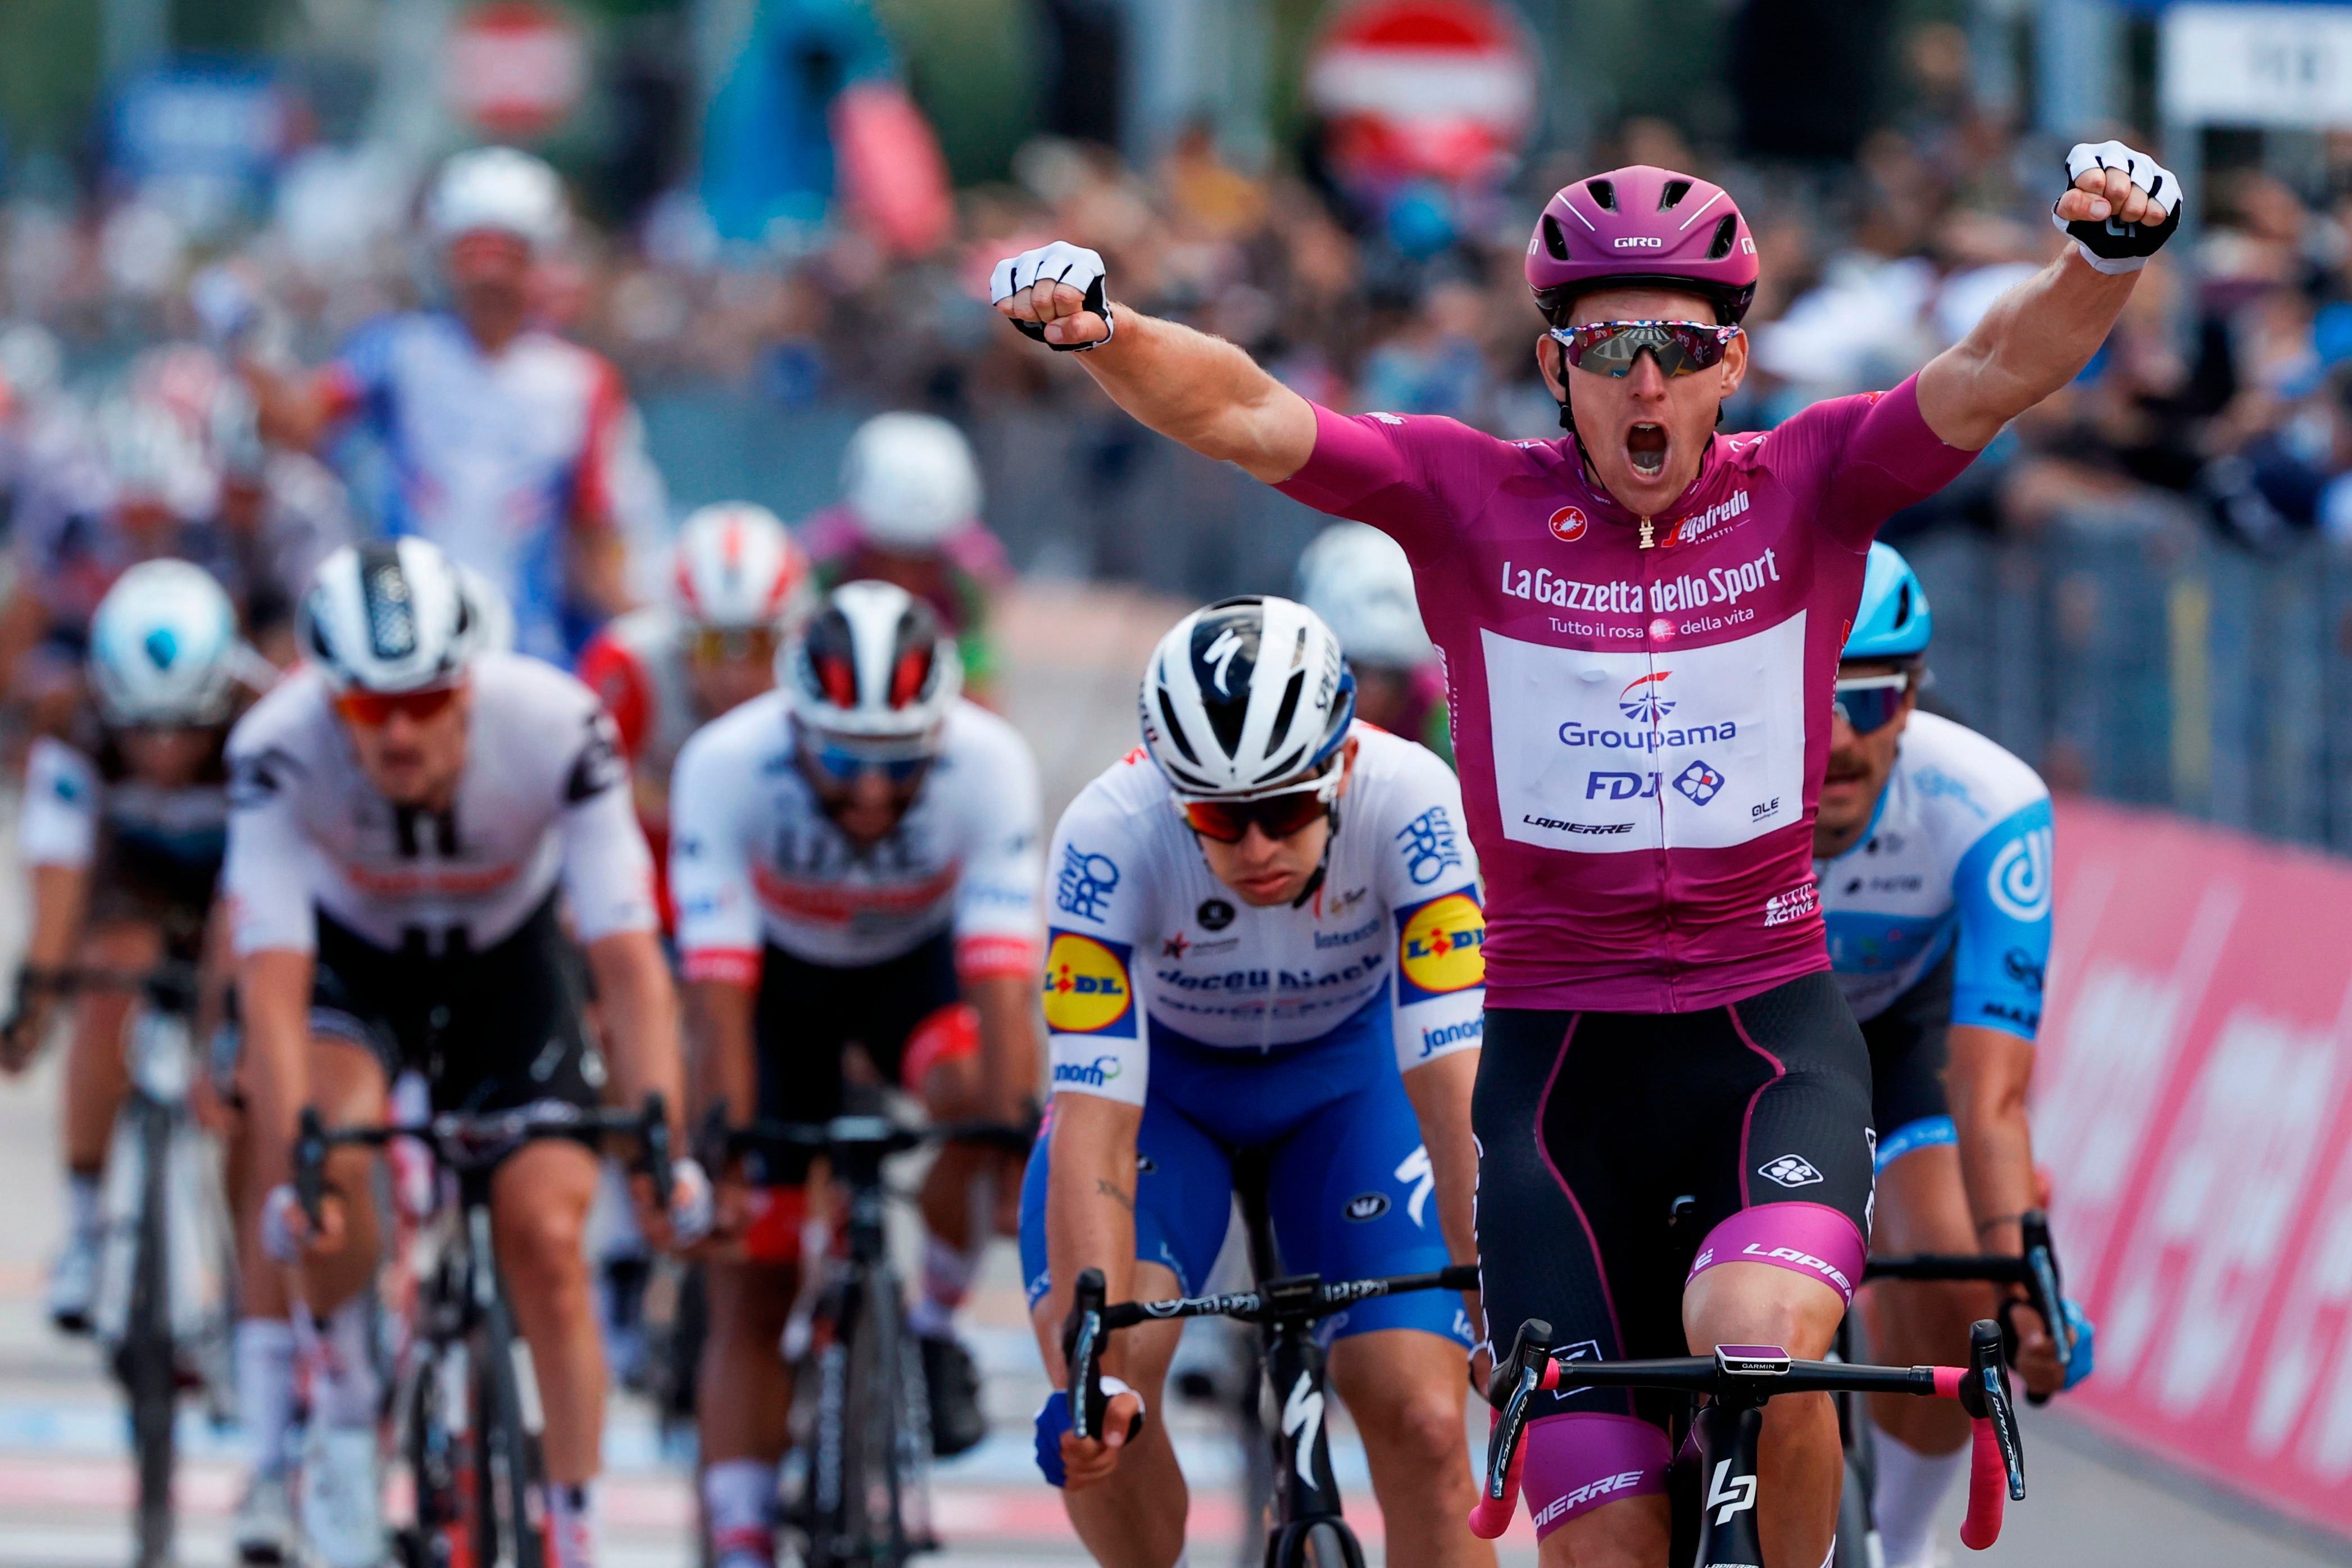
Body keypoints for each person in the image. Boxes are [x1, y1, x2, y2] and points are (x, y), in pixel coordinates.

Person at [993, 139, 2181, 1565]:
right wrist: (1108, 335)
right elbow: (1251, 412)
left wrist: (2103, 261)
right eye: (1608, 343)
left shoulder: (1809, 484)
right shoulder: (1466, 499)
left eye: (1679, 344)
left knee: (1767, 1349)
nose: (1646, 379)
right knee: (1602, 1540)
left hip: (1767, 1037)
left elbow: (1995, 369)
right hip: (1559, 1072)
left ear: (1731, 357)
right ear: (1556, 361)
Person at [225, 539, 701, 1568]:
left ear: (469, 678)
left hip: (509, 966)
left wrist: (661, 1139)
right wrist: (293, 1157)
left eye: (428, 699)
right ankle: (349, 1427)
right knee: (333, 1163)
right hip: (356, 964)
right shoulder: (274, 743)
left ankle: (576, 1536)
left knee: (546, 1240)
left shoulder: (557, 725)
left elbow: (626, 955)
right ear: (327, 697)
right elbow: (267, 978)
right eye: (366, 707)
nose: (399, 732)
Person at [1020, 596, 1490, 1567]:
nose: (1258, 849)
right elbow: (1095, 1125)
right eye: (1219, 820)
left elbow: (1453, 1088)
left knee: (1428, 1422)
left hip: (1351, 1087)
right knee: (1104, 1400)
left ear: (1343, 762)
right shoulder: (1107, 833)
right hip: (1168, 1097)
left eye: (1284, 810)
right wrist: (1093, 1365)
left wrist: (1494, 1289)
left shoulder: (1411, 797)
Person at [668, 580, 1044, 1568]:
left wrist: (1014, 1148)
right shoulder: (726, 764)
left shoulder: (989, 763)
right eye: (842, 760)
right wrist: (726, 1155)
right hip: (776, 989)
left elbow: (1004, 989)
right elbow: (715, 1002)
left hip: (907, 976)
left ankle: (929, 1325)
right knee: (754, 1272)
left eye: (897, 764)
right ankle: (744, 1538)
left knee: (982, 1103)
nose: (871, 794)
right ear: (796, 727)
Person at [0, 560, 297, 1557]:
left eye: (185, 729)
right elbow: (55, 871)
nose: (163, 752)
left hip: (235, 897)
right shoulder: (73, 722)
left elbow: (261, 906)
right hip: (129, 894)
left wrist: (233, 1035)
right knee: (107, 980)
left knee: (246, 1089)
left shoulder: (267, 719)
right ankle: (88, 1230)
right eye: (143, 730)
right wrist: (36, 997)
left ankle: (238, 1274)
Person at [1813, 542, 2089, 1568]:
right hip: (1738, 1030)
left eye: (1871, 702)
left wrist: (2024, 1276)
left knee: (1956, 1271)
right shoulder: (1700, 789)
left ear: (1916, 693)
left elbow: (1990, 1095)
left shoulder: (1989, 801)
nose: (1836, 739)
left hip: (1902, 1027)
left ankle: (1897, 1538)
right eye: (1808, 701)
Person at [233, 147, 665, 662]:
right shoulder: (398, 353)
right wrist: (246, 342)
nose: (490, 276)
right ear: (445, 258)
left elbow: (596, 546)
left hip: (528, 651)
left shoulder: (583, 383)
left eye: (508, 254)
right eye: (473, 254)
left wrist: (656, 632)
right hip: (409, 638)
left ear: (536, 261)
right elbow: (296, 425)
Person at [575, 501, 815, 926]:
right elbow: (581, 819)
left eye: (758, 645)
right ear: (678, 635)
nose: (735, 674)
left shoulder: (823, 670)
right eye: (711, 644)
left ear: (792, 637)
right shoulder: (626, 668)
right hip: (648, 895)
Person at [802, 412, 1011, 699]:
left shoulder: (972, 572)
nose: (906, 579)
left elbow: (980, 681)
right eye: (891, 556)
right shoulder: (823, 561)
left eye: (924, 560)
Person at [1296, 520, 1452, 763]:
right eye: (1355, 669)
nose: (1372, 694)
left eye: (1391, 676)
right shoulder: (1287, 707)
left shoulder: (1446, 720)